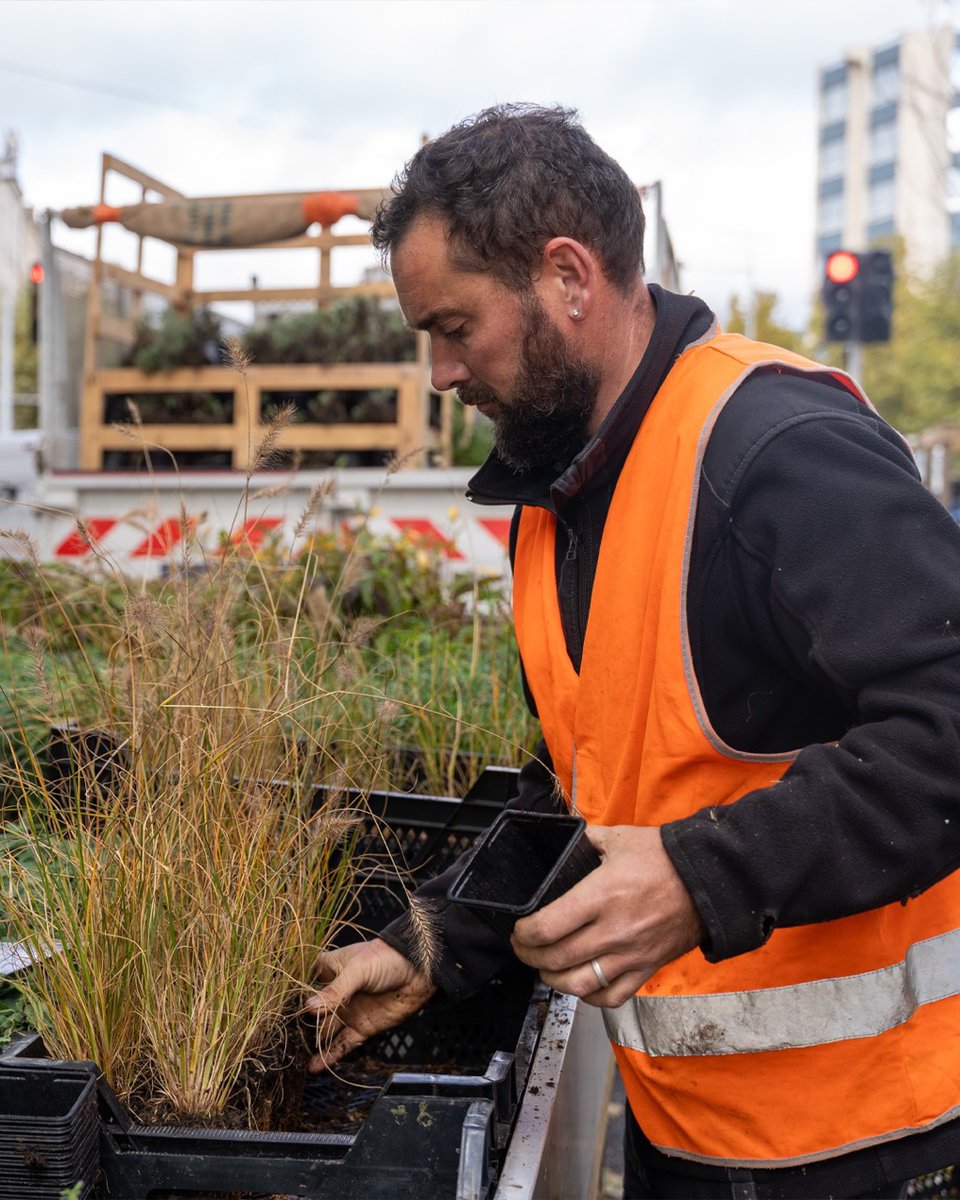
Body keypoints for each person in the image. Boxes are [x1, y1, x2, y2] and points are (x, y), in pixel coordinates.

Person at [305, 104, 960, 1199]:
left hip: (877, 1143)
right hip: (686, 1137)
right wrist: (431, 942)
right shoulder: (557, 502)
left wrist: (708, 878)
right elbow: (599, 789)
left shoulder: (773, 449)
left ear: (568, 276)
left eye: (454, 327)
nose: (439, 373)